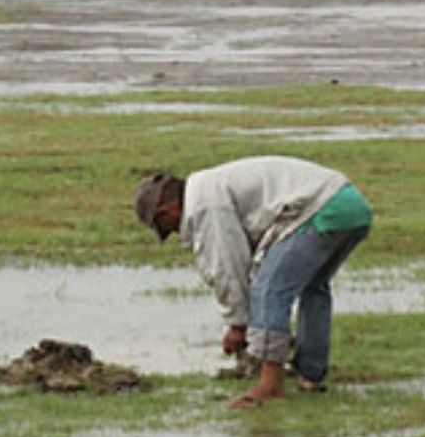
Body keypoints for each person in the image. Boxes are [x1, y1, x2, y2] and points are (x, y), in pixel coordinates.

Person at [134, 155, 372, 408]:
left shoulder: (205, 205)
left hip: (320, 208)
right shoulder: (210, 186)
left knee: (268, 289)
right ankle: (311, 377)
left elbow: (228, 266)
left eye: (163, 226)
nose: (170, 232)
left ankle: (270, 386)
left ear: (168, 210)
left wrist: (237, 324)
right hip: (350, 205)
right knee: (313, 288)